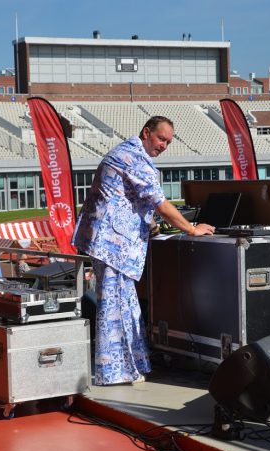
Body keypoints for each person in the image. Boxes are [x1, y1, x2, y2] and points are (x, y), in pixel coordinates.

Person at [72, 116, 215, 386]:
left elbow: (126, 199)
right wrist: (191, 229)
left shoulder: (127, 152)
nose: (164, 146)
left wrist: (152, 226)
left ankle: (132, 364)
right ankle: (114, 372)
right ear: (146, 132)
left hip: (111, 242)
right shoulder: (134, 157)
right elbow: (160, 203)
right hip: (113, 244)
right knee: (115, 306)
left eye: (168, 142)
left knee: (124, 303)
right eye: (161, 139)